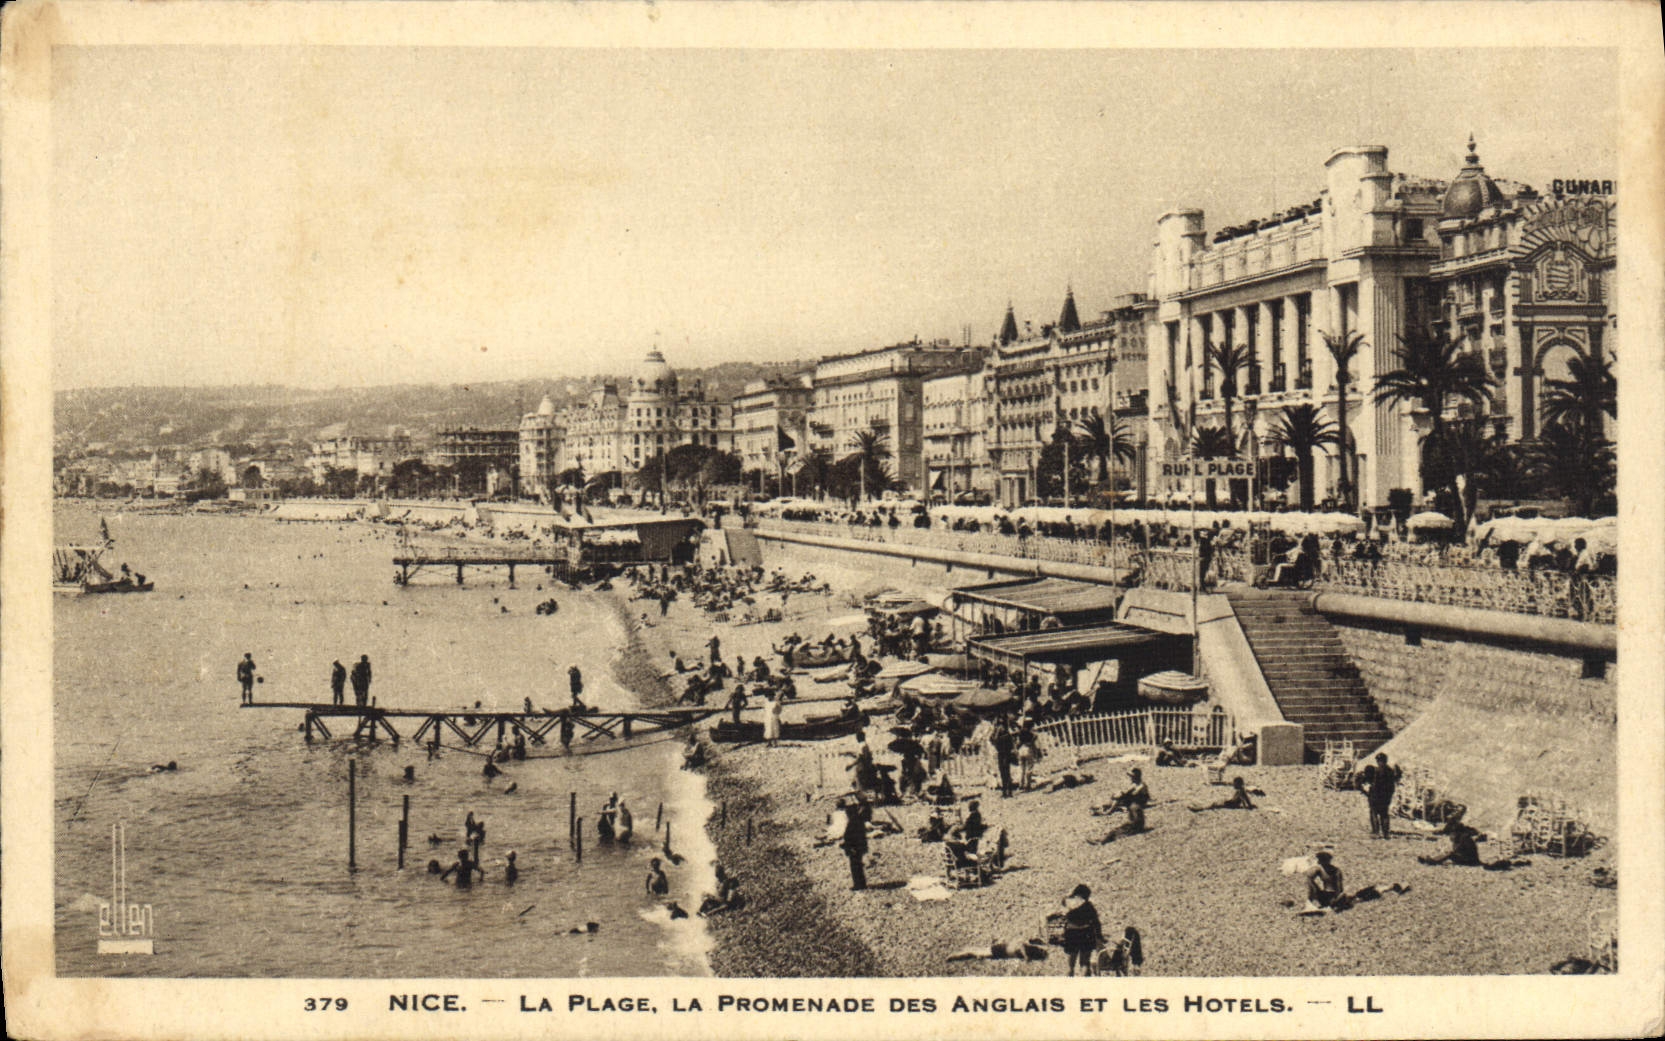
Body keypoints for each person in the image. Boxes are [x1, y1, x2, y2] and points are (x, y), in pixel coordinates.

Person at [1059, 884, 1103, 977]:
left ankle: (1069, 979)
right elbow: (1096, 922)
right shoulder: (1088, 906)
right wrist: (1099, 937)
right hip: (1086, 934)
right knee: (1084, 963)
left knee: (1070, 964)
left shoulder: (1068, 903)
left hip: (1071, 934)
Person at [1359, 752, 1400, 839]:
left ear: (1377, 761)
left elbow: (1367, 781)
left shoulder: (1375, 770)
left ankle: (1376, 832)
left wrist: (1366, 790)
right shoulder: (1390, 770)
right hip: (1386, 796)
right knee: (1384, 814)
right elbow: (1394, 781)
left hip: (1375, 795)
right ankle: (1386, 833)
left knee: (1374, 813)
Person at [840, 798, 870, 891]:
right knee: (858, 866)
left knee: (855, 867)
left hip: (854, 848)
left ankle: (859, 885)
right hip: (858, 847)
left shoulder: (853, 822)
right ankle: (861, 884)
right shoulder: (858, 821)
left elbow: (850, 836)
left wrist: (848, 846)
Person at [1190, 775, 1256, 812]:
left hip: (1230, 805)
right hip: (1230, 804)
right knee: (1214, 803)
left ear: (1238, 784)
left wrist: (1246, 806)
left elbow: (1241, 800)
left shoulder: (1240, 791)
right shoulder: (1241, 790)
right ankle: (1199, 807)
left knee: (1214, 804)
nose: (1233, 785)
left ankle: (1199, 808)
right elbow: (1246, 800)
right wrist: (1249, 805)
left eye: (1234, 783)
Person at [991, 720, 1016, 799]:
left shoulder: (1005, 736)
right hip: (1002, 755)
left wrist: (996, 732)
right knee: (1004, 773)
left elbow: (994, 741)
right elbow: (993, 741)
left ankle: (1008, 792)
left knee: (1006, 773)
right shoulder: (1004, 736)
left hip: (1005, 754)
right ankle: (1006, 792)